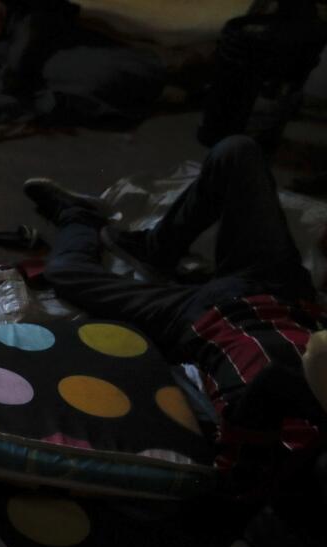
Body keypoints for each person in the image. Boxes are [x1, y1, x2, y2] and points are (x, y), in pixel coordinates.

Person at [21, 135, 327, 502]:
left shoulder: (274, 461)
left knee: (66, 273)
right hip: (283, 290)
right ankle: (156, 249)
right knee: (237, 152)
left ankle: (79, 218)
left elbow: (268, 392)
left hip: (201, 318)